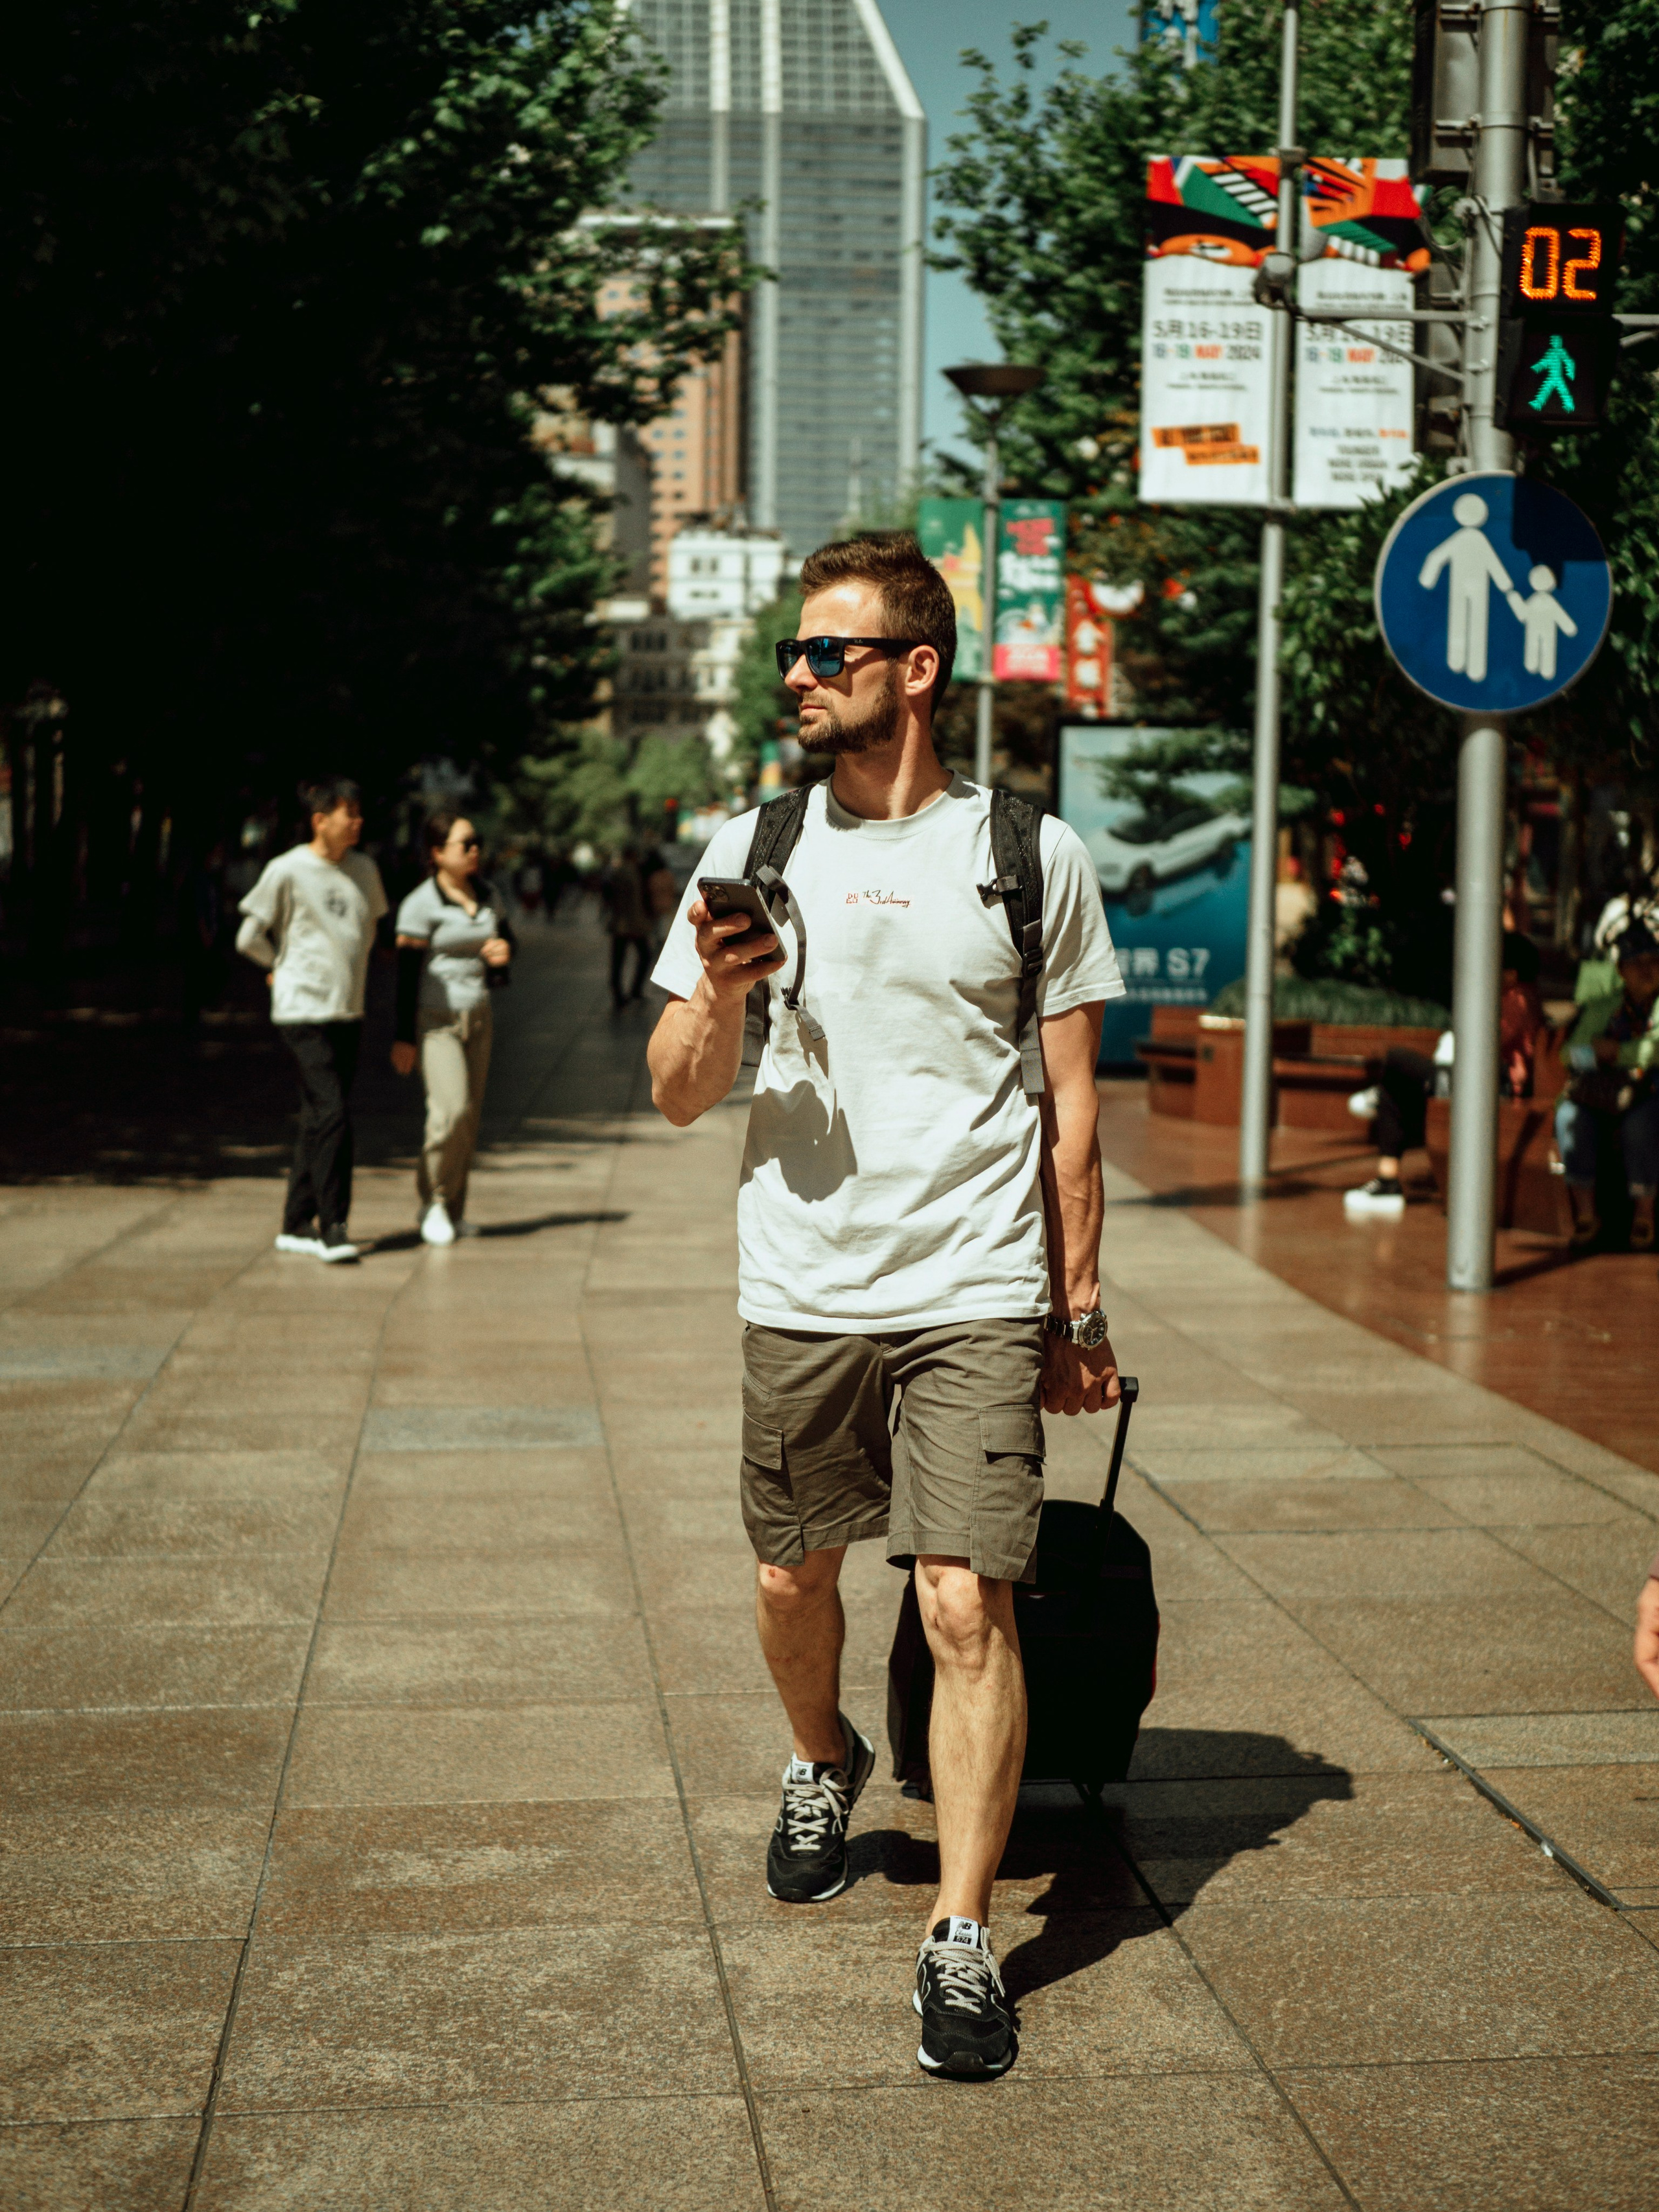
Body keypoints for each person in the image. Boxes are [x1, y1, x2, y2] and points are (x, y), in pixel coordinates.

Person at [645, 533, 1126, 2080]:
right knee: (794, 1577)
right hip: (803, 1279)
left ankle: (964, 1934)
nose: (795, 673)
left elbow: (1070, 1109)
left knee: (960, 1598)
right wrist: (720, 989)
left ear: (916, 671)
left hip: (974, 1290)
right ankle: (823, 1756)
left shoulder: (1028, 855)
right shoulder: (754, 843)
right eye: (791, 651)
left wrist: (1077, 1308)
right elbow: (672, 1095)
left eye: (825, 652)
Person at [237, 776, 388, 1263]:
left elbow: (368, 930)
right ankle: (333, 1225)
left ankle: (294, 1222)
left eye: (360, 813)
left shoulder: (364, 868)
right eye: (349, 814)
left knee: (319, 1116)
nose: (358, 822)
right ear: (320, 820)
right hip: (302, 1008)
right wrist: (278, 966)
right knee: (334, 1113)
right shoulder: (288, 869)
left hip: (347, 1007)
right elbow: (248, 936)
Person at [1345, 932, 1542, 1219]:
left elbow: (1484, 1044)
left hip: (1490, 1086)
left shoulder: (1518, 1000)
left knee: (1396, 1062)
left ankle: (1387, 1176)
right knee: (1393, 1087)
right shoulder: (1516, 997)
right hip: (1474, 1079)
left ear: (1511, 974)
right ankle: (1387, 1181)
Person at [391, 812, 514, 1246]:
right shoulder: (420, 904)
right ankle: (434, 1200)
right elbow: (405, 975)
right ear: (437, 853)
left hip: (479, 1017)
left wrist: (503, 956)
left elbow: (504, 945)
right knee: (450, 1111)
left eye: (477, 842)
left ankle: (455, 1208)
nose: (475, 850)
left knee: (471, 1117)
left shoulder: (488, 895)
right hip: (435, 1020)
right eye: (466, 844)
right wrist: (403, 1036)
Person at [1555, 918, 1659, 1249]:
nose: (1647, 971)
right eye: (1637, 964)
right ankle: (1586, 1214)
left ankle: (1645, 1215)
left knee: (1640, 1124)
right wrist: (1596, 1056)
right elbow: (1566, 1057)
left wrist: (1618, 1053)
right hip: (1605, 1094)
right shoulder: (1605, 1007)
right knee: (1570, 1117)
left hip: (1651, 1093)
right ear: (1620, 970)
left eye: (1654, 962)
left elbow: (1654, 1051)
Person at [602, 843, 652, 1008]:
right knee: (640, 955)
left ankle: (622, 992)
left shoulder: (621, 871)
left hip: (624, 921)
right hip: (630, 922)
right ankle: (629, 990)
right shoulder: (629, 872)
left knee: (620, 958)